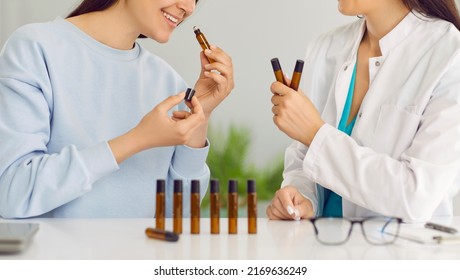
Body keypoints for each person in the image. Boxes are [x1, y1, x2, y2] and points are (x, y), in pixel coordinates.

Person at [0, 0, 234, 218]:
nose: (188, 7)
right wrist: (138, 139)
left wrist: (201, 113)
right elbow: (11, 193)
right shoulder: (35, 48)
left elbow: (177, 215)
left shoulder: (168, 82)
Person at [267, 0, 460, 222]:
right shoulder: (325, 48)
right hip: (320, 248)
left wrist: (315, 133)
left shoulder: (450, 54)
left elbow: (417, 197)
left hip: (403, 253)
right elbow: (303, 157)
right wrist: (303, 197)